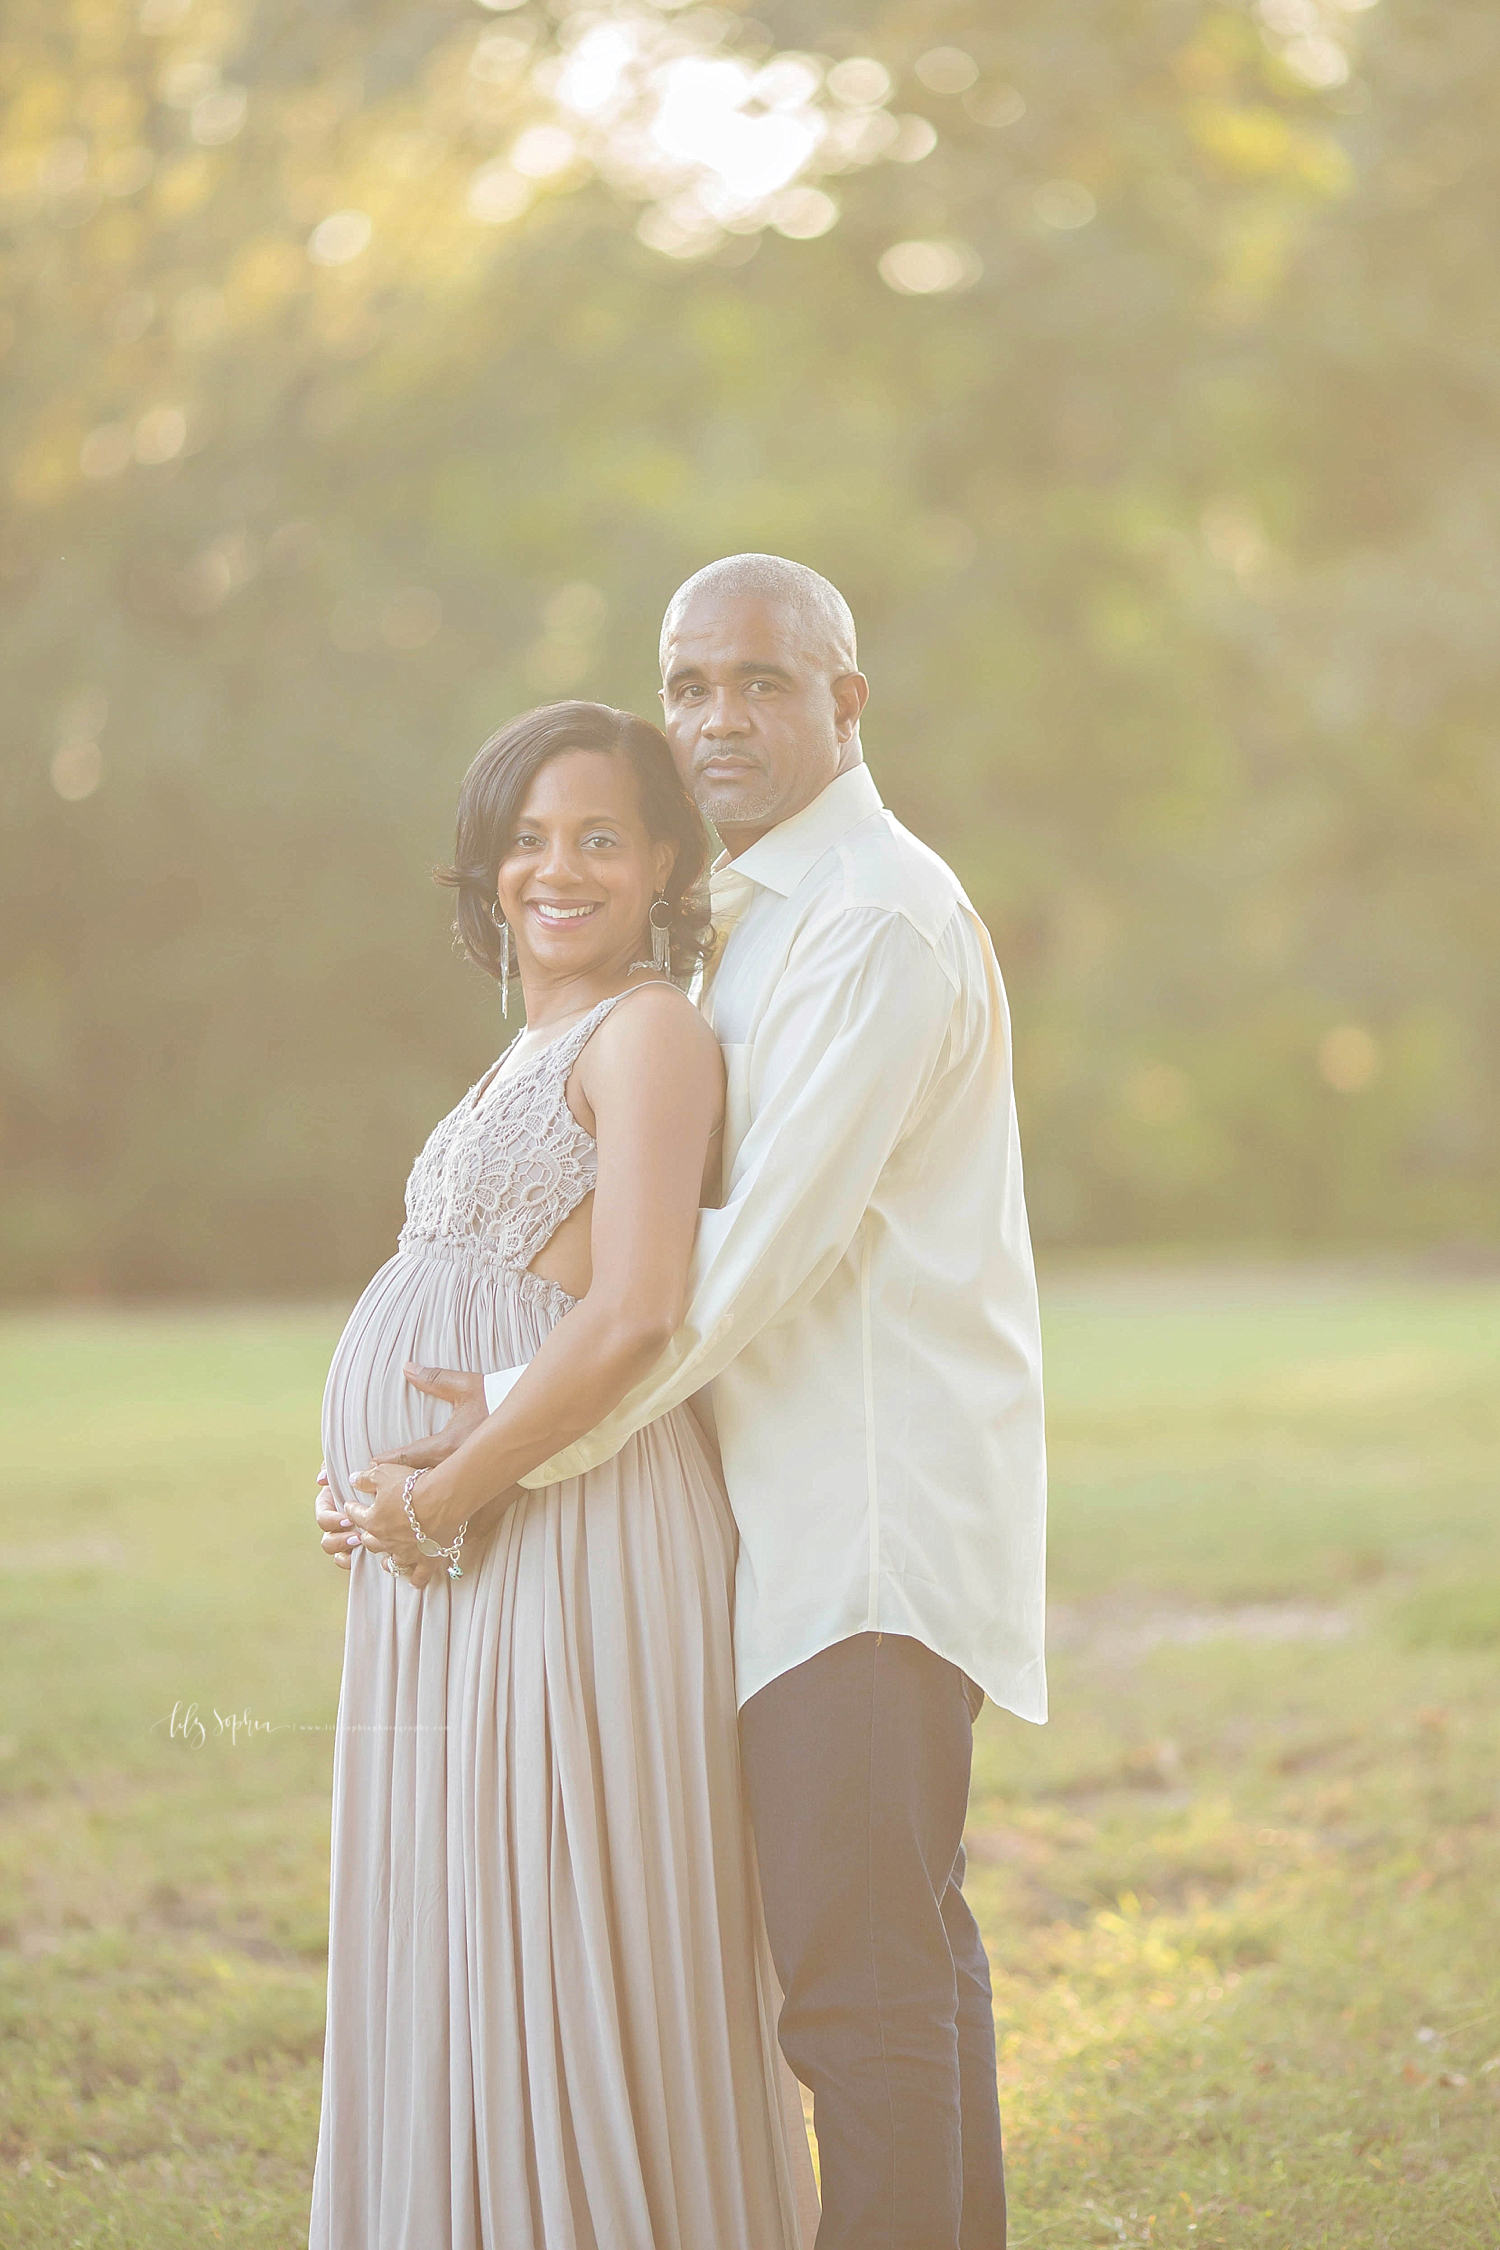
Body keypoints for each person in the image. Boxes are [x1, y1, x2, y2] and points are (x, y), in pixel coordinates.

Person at [328, 554, 1048, 2249]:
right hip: (778, 1522)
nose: (721, 715)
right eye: (693, 683)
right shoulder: (759, 925)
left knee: (858, 1987)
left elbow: (737, 1264)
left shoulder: (867, 921)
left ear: (844, 701)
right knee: (901, 1957)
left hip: (857, 1525)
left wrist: (496, 1444)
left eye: (764, 681)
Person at [310, 699, 818, 2250]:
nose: (559, 868)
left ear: (665, 855)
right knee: (467, 1929)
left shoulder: (652, 1031)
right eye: (527, 839)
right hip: (455, 1548)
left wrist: (451, 1491)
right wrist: (382, 1491)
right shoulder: (529, 1043)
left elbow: (638, 1310)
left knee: (562, 1924)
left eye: (600, 835)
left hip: (564, 1530)